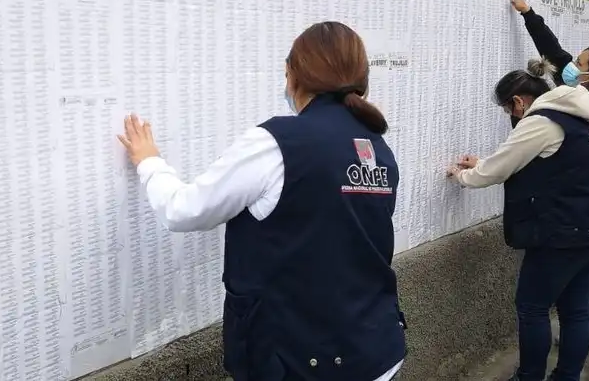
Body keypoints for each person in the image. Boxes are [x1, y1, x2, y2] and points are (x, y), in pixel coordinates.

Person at [117, 21, 406, 381]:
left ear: (295, 76)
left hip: (302, 363)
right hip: (377, 352)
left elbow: (183, 210)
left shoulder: (277, 144)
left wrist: (149, 162)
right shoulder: (378, 149)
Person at [447, 58, 589, 381]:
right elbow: (548, 163)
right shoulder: (583, 116)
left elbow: (501, 168)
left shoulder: (541, 121)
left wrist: (463, 176)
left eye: (507, 110)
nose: (511, 117)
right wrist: (482, 163)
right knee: (576, 310)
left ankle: (529, 376)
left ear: (518, 101)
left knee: (532, 306)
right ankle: (567, 376)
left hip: (562, 234)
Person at [507, 0, 589, 353]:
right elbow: (554, 52)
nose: (572, 65)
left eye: (581, 62)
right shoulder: (579, 92)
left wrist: (527, 124)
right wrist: (527, 13)